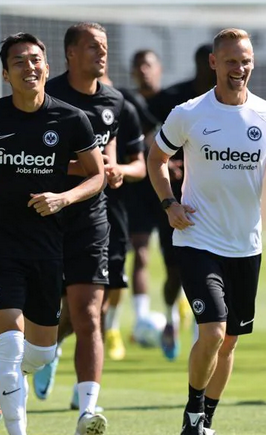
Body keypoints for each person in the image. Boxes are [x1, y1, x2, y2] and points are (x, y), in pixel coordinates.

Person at [0, 32, 105, 435]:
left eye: (35, 60)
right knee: (12, 350)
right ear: (5, 73)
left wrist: (63, 197)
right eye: (19, 62)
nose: (29, 67)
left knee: (40, 353)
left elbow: (96, 176)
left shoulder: (72, 119)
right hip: (0, 246)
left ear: (47, 68)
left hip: (49, 247)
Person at [148, 28, 266, 435]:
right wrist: (169, 203)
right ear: (214, 63)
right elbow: (156, 158)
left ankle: (207, 421)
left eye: (245, 60)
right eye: (231, 61)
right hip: (197, 239)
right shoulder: (189, 113)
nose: (240, 68)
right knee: (212, 329)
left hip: (246, 245)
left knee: (229, 340)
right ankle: (192, 418)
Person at [35, 23, 144, 424]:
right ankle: (40, 355)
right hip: (46, 218)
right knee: (48, 316)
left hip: (98, 218)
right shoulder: (47, 98)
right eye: (92, 47)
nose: (102, 53)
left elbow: (136, 161)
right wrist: (83, 167)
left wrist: (117, 170)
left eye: (104, 47)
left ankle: (87, 409)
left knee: (90, 311)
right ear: (70, 55)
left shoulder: (117, 102)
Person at [148, 44, 217, 360]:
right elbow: (151, 137)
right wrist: (168, 158)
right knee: (174, 268)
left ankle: (201, 329)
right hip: (175, 199)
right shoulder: (176, 101)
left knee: (212, 269)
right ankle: (170, 318)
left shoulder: (232, 105)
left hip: (215, 203)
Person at [115, 49, 163, 359]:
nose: (143, 70)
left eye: (148, 64)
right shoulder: (125, 99)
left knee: (176, 261)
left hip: (166, 189)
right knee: (133, 255)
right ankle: (121, 325)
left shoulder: (174, 100)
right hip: (133, 190)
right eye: (138, 65)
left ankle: (174, 310)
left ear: (159, 69)